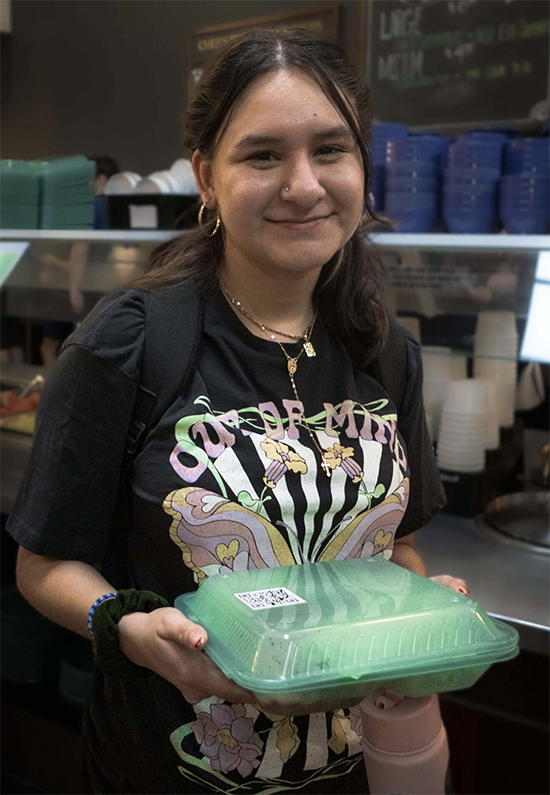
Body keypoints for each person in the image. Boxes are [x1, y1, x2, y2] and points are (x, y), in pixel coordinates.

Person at [8, 28, 467, 795]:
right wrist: (123, 625)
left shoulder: (385, 351)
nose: (303, 184)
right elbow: (42, 563)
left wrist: (420, 616)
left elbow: (400, 550)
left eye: (330, 150)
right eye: (262, 155)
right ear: (206, 176)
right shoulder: (131, 341)